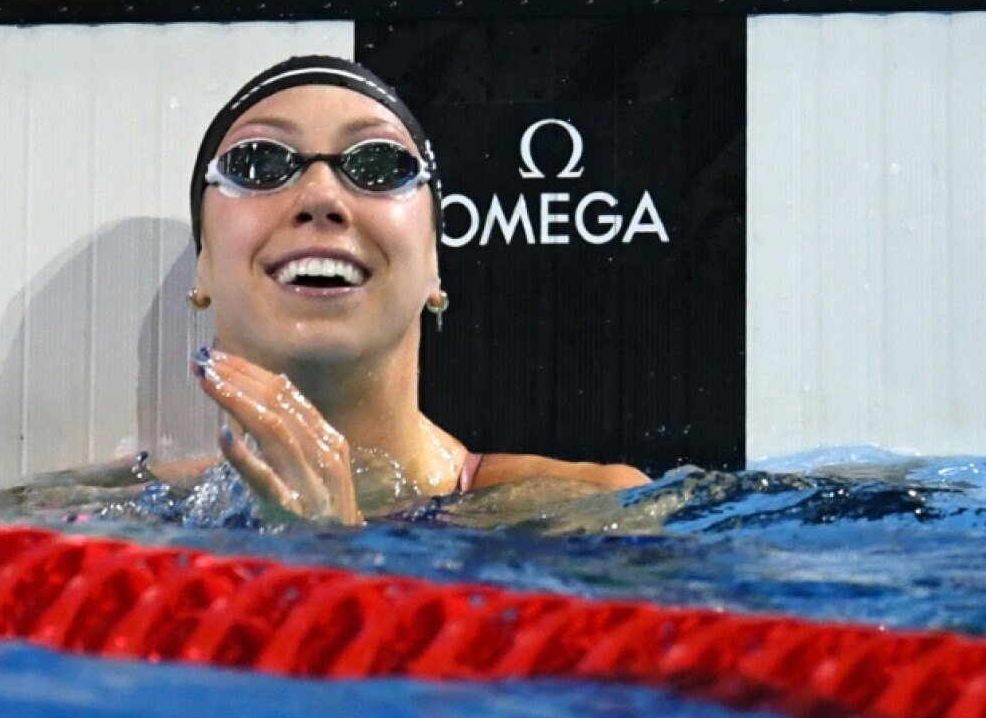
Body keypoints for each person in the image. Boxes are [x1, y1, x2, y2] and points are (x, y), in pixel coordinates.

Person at [151, 55, 648, 526]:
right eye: (258, 162)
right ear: (204, 265)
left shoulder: (595, 513)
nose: (321, 197)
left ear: (434, 267)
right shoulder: (113, 517)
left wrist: (335, 553)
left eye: (380, 164)